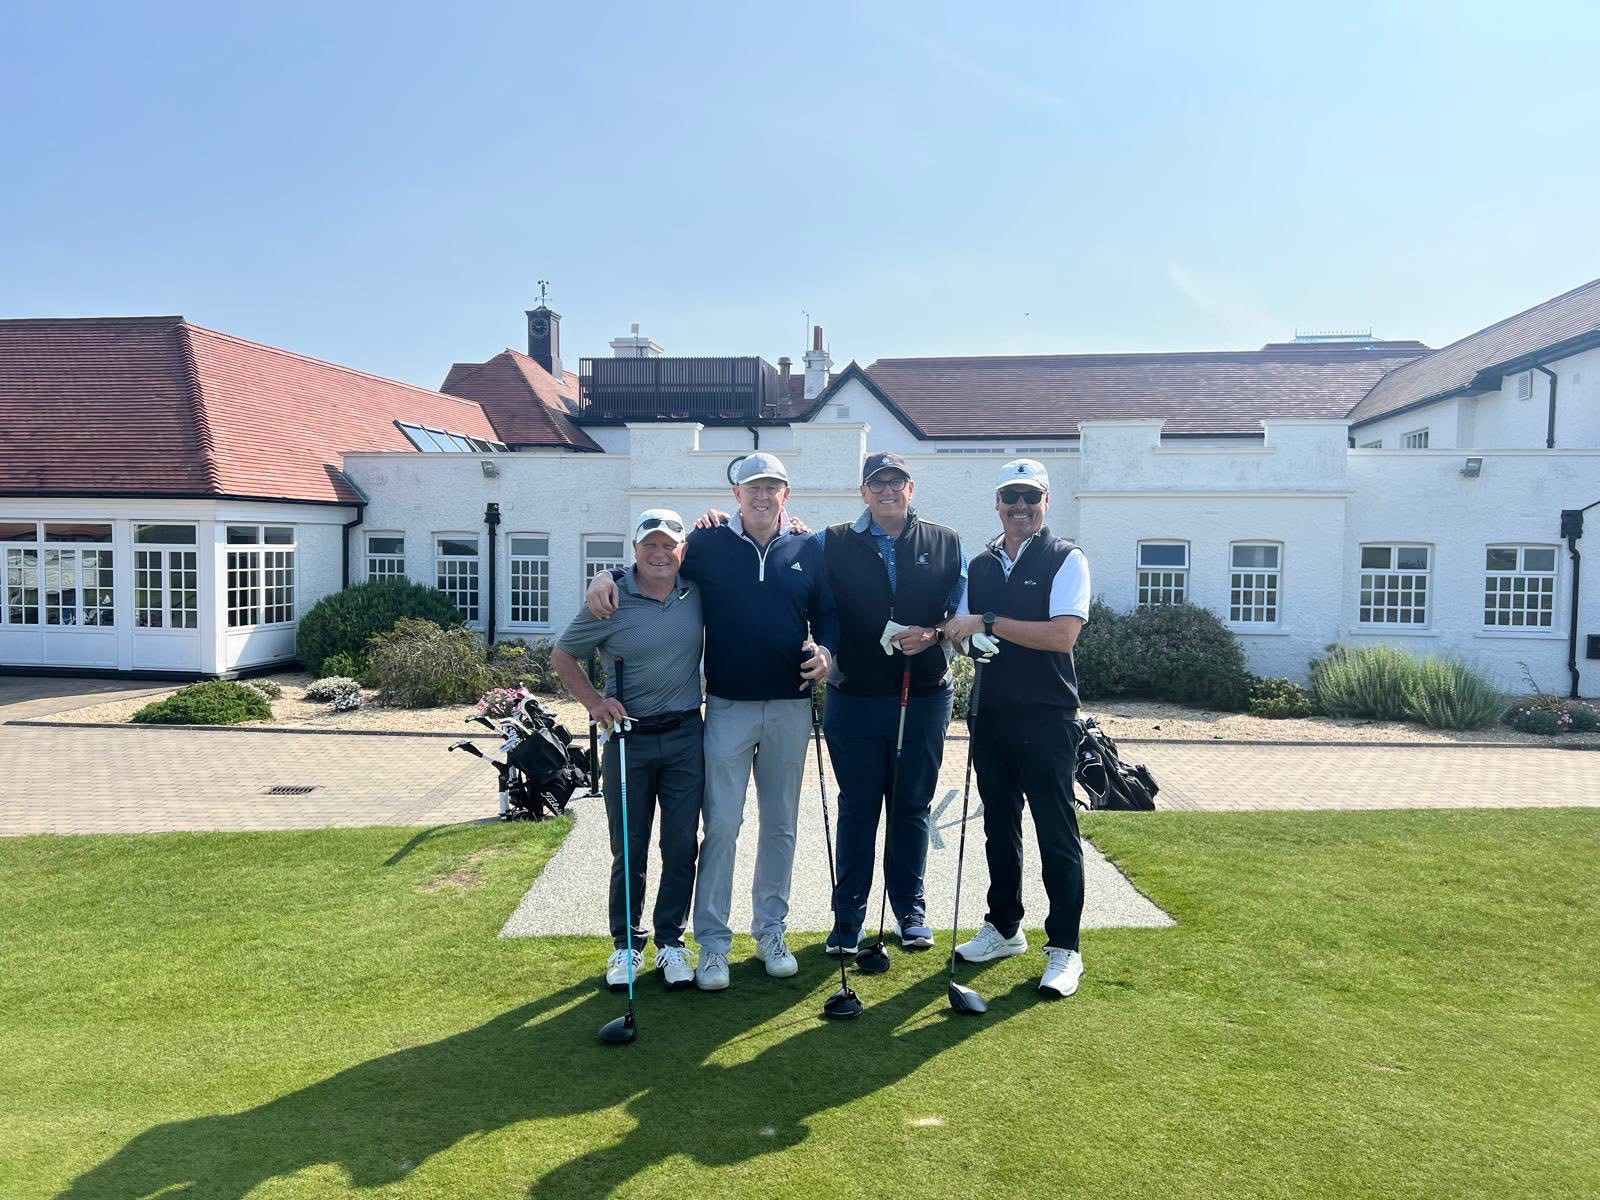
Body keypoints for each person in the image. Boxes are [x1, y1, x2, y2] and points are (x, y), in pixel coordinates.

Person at [584, 452, 835, 991]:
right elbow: (656, 563)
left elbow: (828, 615)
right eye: (752, 487)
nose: (762, 496)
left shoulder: (809, 547)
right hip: (725, 707)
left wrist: (827, 653)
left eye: (771, 487)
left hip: (790, 706)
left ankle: (771, 930)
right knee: (721, 826)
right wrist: (605, 575)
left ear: (786, 495)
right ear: (736, 495)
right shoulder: (707, 543)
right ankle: (714, 944)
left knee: (781, 826)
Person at [941, 459, 1091, 998]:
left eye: (1031, 497)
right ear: (998, 503)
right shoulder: (981, 565)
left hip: (1047, 715)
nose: (1020, 507)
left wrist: (988, 624)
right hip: (992, 713)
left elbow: (1061, 635)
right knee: (998, 826)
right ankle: (1005, 928)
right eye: (1011, 497)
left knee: (1056, 831)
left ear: (1045, 502)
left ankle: (1065, 947)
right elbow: (959, 630)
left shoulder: (1066, 557)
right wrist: (966, 639)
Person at [819, 451, 965, 957]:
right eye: (876, 483)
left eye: (896, 482)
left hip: (922, 694)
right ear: (863, 492)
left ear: (910, 488)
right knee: (857, 807)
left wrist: (934, 634)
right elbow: (791, 566)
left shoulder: (945, 542)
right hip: (853, 695)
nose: (887, 491)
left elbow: (962, 612)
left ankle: (910, 910)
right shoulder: (832, 541)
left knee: (912, 805)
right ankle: (848, 918)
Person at [553, 509, 705, 993]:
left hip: (686, 735)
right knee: (629, 846)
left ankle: (671, 941)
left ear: (682, 550)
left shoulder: (696, 591)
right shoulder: (611, 598)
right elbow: (563, 654)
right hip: (627, 738)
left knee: (680, 845)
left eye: (669, 545)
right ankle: (626, 944)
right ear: (634, 549)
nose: (660, 554)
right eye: (650, 545)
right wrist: (594, 703)